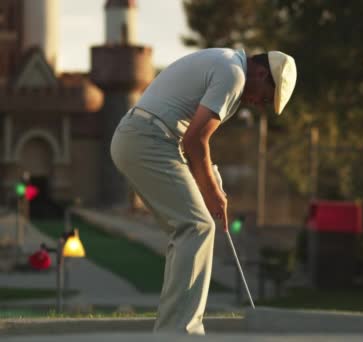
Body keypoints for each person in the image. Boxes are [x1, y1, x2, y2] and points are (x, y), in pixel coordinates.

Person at [110, 48, 297, 334]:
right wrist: (211, 192)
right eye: (266, 97)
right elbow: (195, 139)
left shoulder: (226, 63)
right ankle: (179, 332)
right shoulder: (234, 75)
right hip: (147, 139)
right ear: (261, 74)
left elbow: (192, 141)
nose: (260, 104)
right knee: (196, 226)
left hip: (144, 137)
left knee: (188, 229)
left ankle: (171, 329)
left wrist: (212, 182)